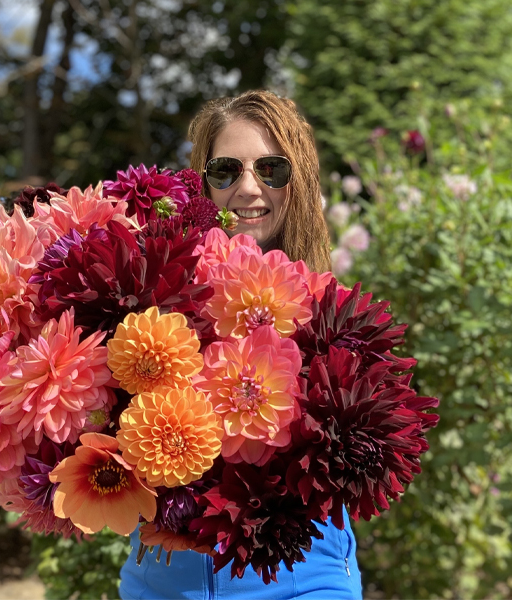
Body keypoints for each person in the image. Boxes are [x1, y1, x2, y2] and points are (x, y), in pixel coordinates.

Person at [119, 90, 363, 600]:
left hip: (303, 578)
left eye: (271, 169)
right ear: (204, 182)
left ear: (297, 183)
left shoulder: (332, 316)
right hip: (165, 582)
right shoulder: (151, 291)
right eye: (227, 170)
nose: (250, 188)